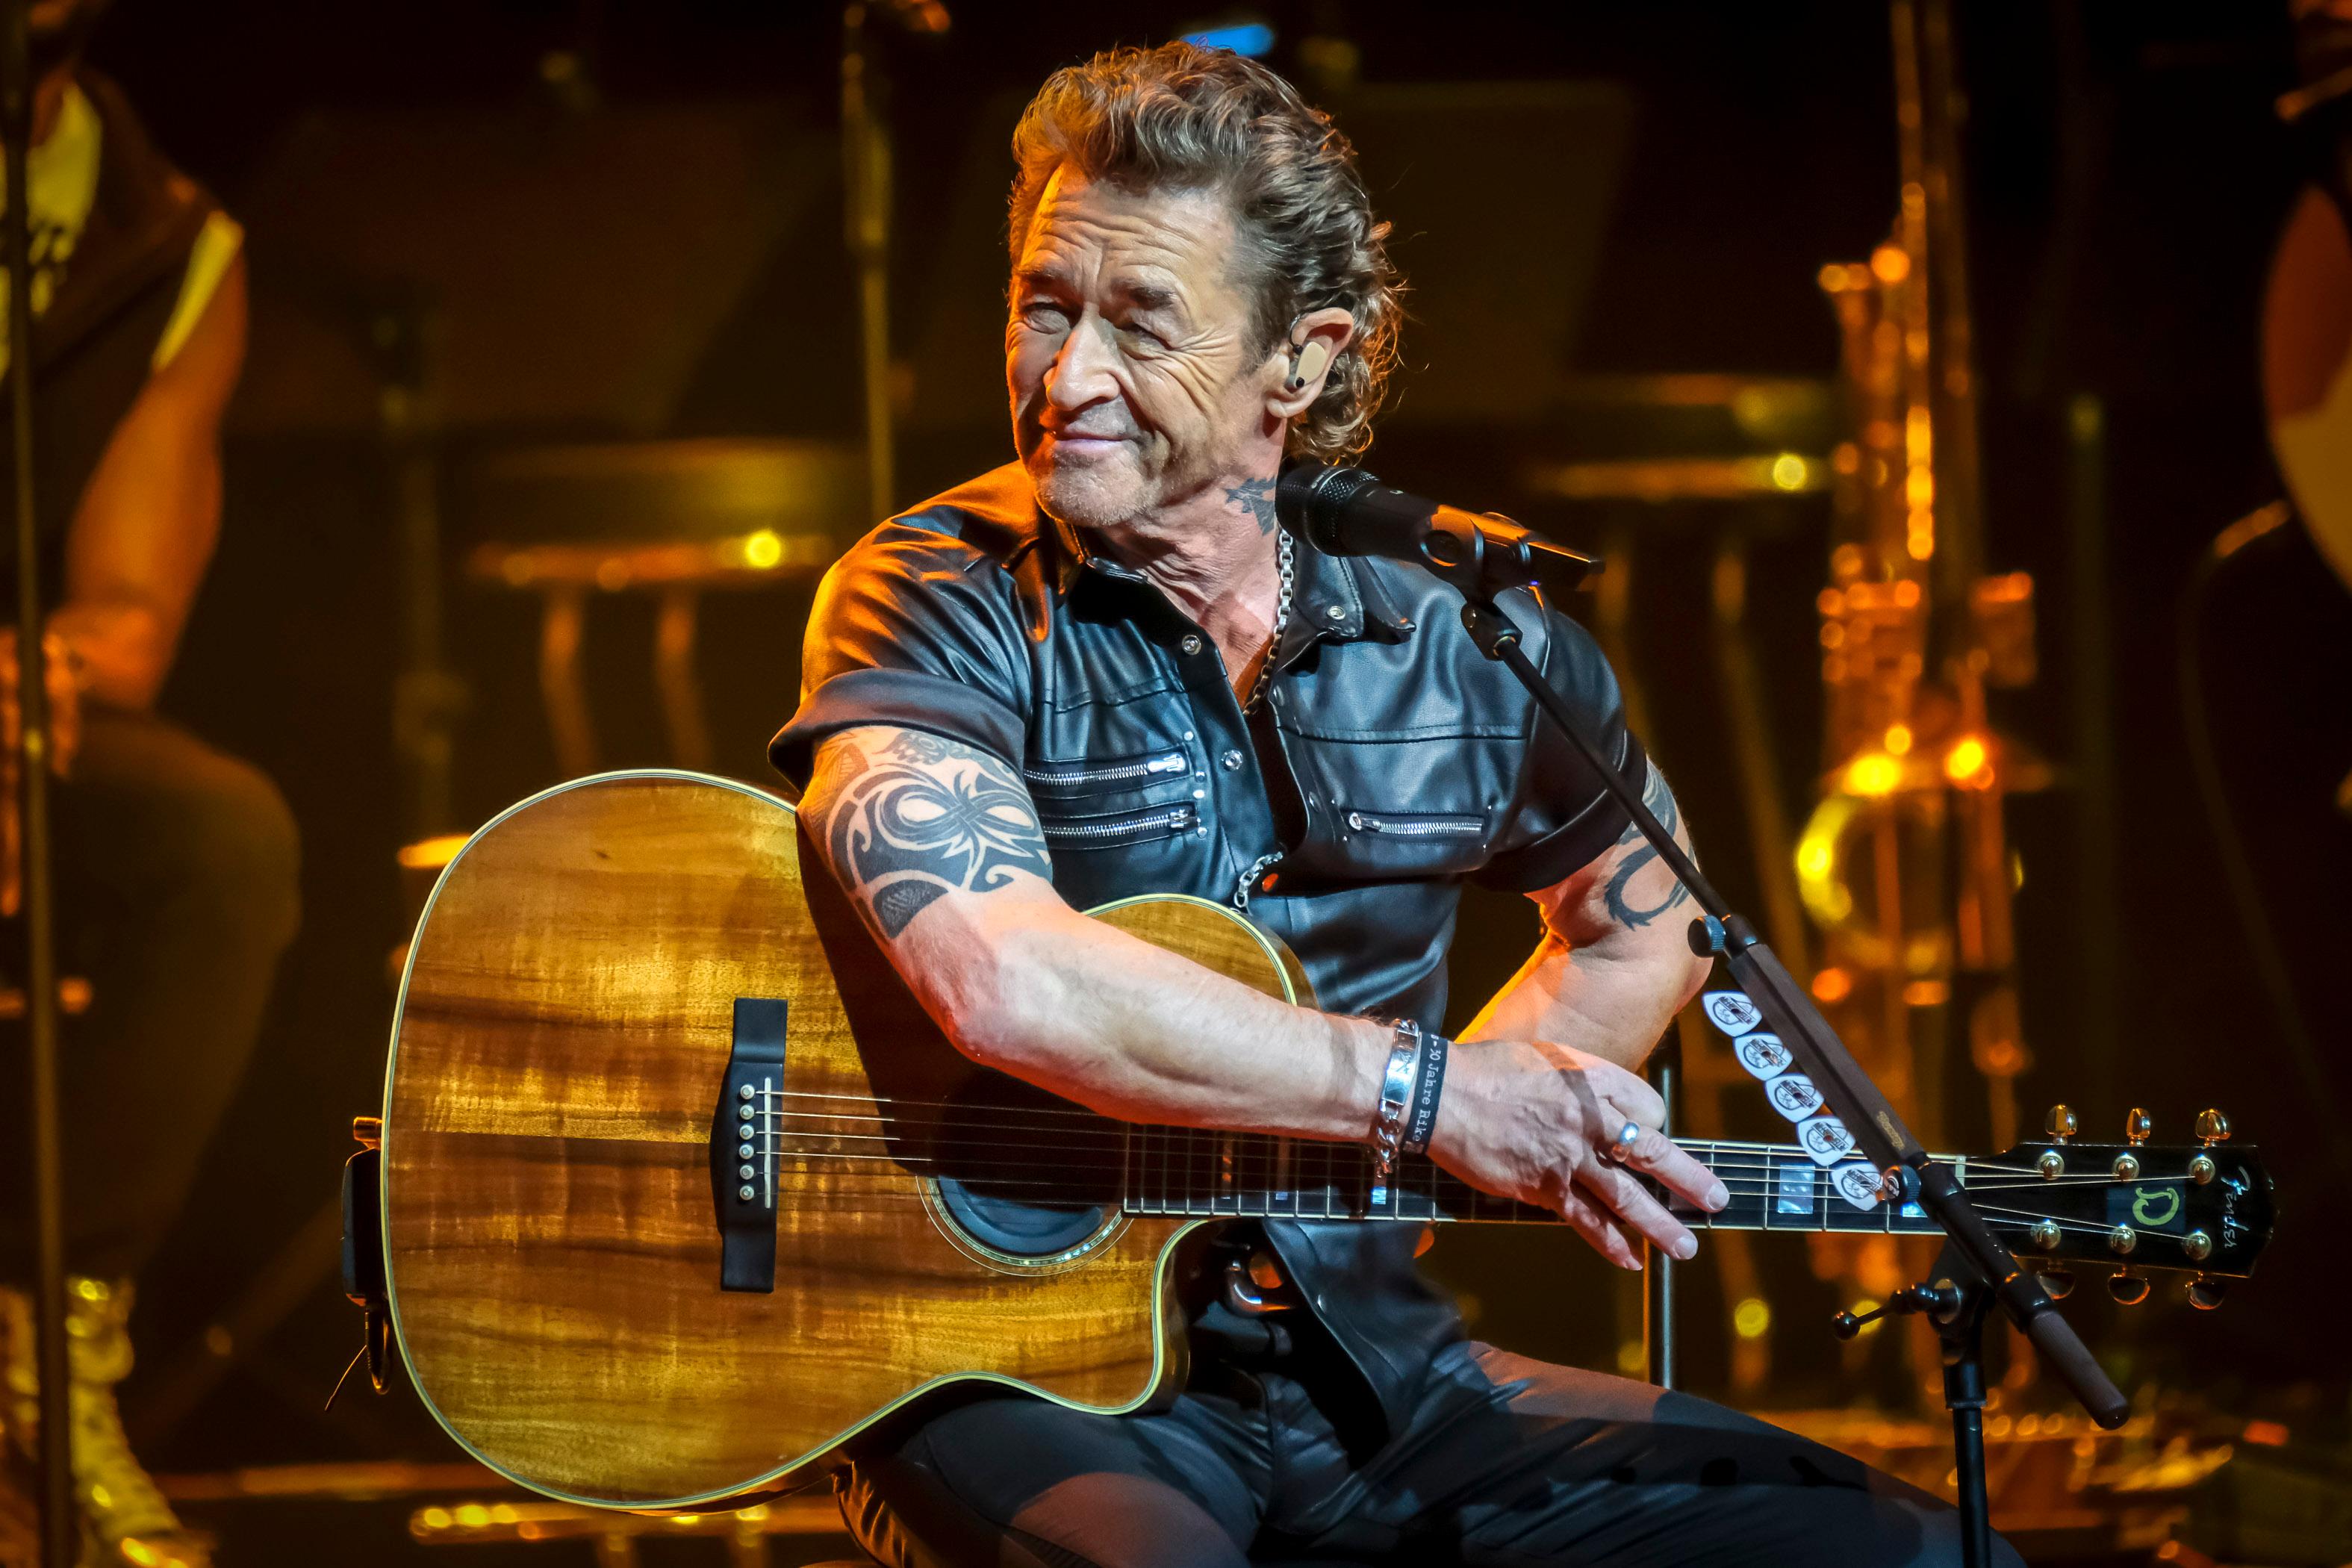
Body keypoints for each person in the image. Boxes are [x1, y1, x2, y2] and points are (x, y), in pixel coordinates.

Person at [774, 43, 2015, 1568]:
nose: (1065, 372)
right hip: (1007, 1376)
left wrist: (1430, 1154)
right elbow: (1002, 978)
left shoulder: (1457, 629)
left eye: (1140, 322)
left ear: (1300, 362)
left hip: (1368, 1372)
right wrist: (1436, 1100)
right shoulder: (933, 593)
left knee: (1918, 1555)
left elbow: (1649, 924)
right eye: (1045, 305)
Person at [0, 4, 299, 1566]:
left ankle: (45, 1343)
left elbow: (123, 615)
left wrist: (27, 683)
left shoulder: (165, 236)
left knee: (217, 838)